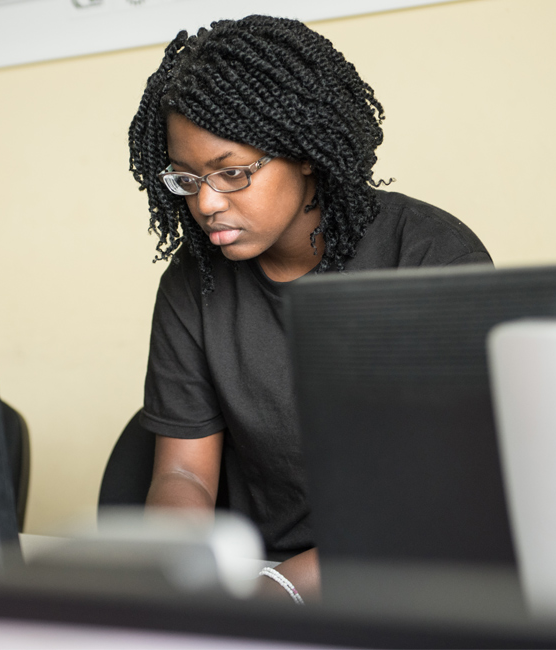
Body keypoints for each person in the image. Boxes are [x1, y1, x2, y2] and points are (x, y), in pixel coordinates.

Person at [127, 15, 491, 603]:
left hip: (422, 574)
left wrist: (282, 589)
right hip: (264, 582)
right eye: (187, 180)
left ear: (304, 153)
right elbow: (183, 474)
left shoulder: (427, 254)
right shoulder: (192, 284)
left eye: (232, 172)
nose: (209, 203)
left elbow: (446, 491)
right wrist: (182, 581)